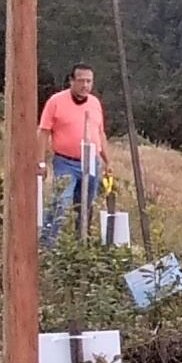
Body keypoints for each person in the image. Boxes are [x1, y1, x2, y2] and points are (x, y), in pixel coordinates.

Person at [37, 65, 111, 247]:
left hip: (91, 161)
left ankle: (81, 247)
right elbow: (44, 131)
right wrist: (40, 162)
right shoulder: (56, 101)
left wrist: (107, 161)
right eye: (81, 81)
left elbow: (100, 133)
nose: (85, 85)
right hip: (65, 162)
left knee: (86, 207)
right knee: (60, 204)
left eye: (89, 81)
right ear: (71, 81)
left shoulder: (95, 103)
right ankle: (46, 246)